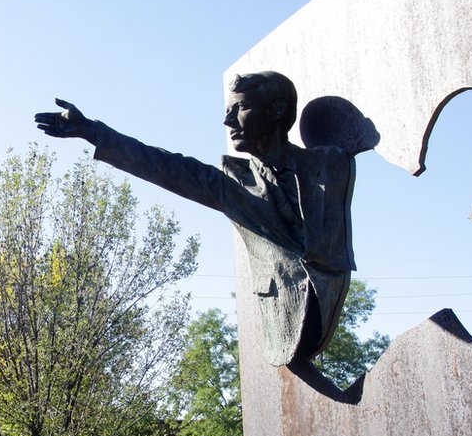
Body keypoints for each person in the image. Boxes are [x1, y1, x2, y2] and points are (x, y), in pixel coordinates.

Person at [35, 71, 355, 372]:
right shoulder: (233, 185)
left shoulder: (330, 164)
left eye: (239, 108)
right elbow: (166, 167)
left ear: (276, 109)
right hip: (283, 311)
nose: (227, 120)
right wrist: (92, 131)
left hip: (323, 300)